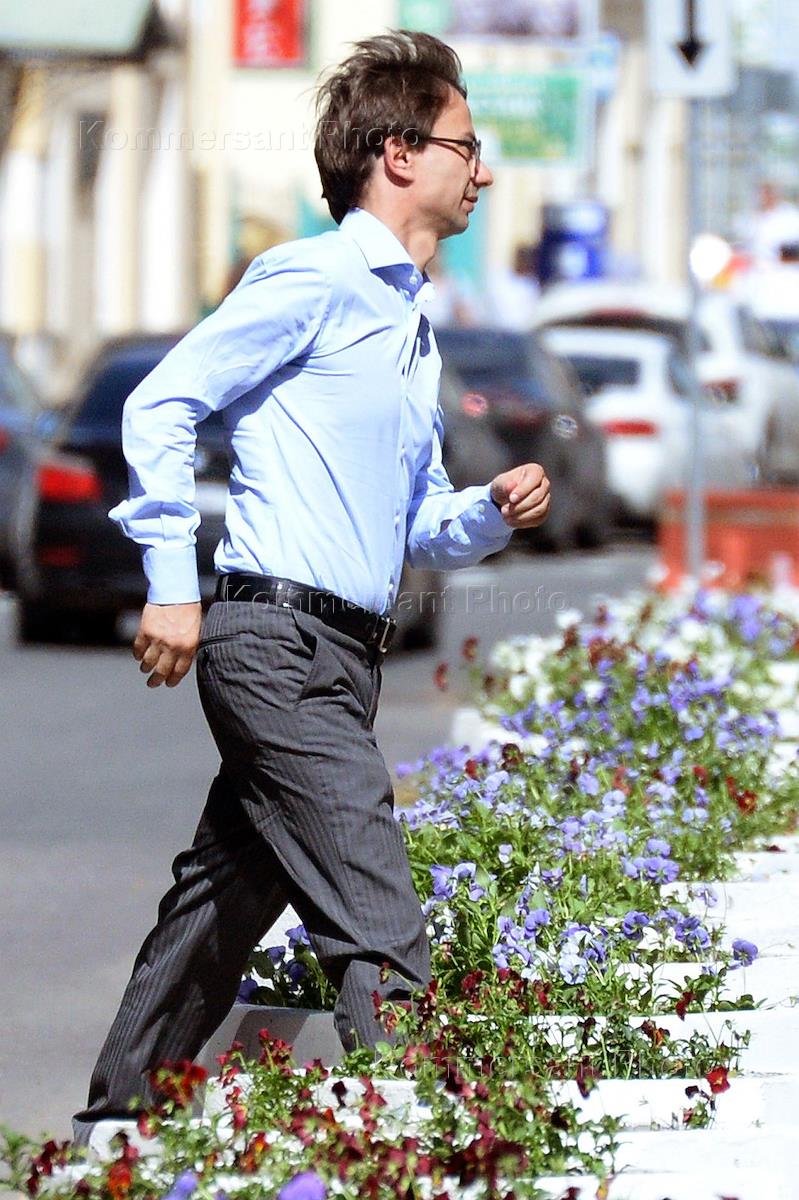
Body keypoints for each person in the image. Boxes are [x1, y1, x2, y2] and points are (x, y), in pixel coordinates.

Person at [72, 29, 551, 1143]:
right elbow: (162, 403)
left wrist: (487, 510)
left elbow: (414, 521)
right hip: (272, 643)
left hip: (341, 654)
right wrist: (171, 585)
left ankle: (111, 1133)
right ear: (399, 154)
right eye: (467, 147)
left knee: (221, 905)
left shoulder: (409, 325)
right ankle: (428, 1142)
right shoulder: (314, 277)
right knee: (372, 900)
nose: (483, 173)